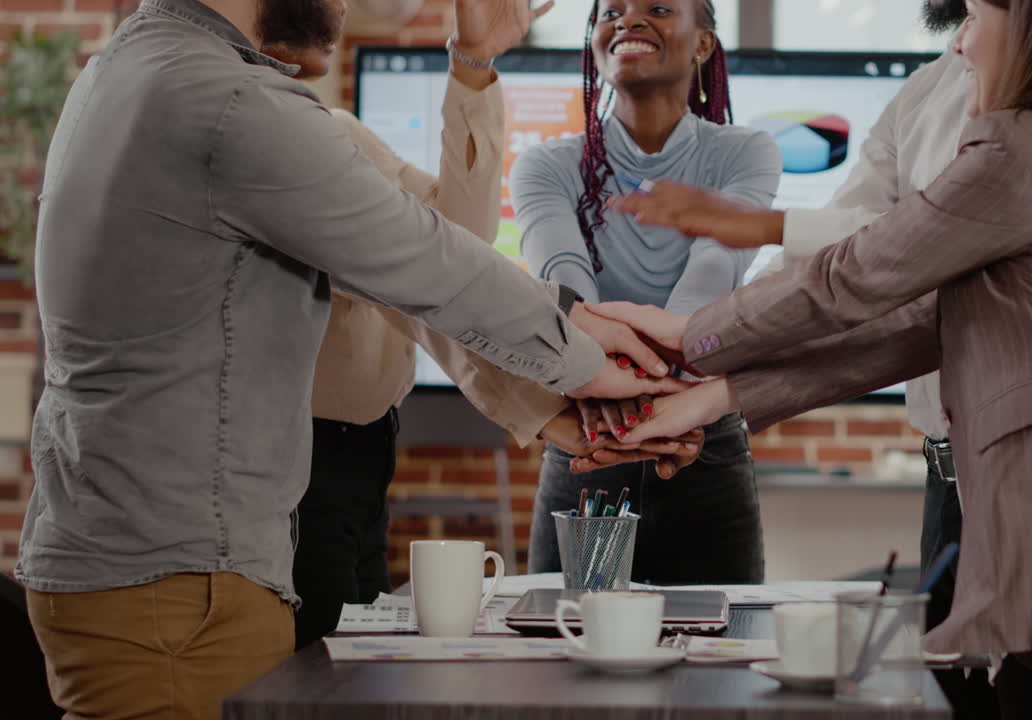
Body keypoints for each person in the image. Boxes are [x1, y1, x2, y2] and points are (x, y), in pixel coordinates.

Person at [593, 0, 1032, 717]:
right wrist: (718, 392)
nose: (961, 48)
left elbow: (854, 275)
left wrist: (691, 336)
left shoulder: (1021, 149)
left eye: (976, 18)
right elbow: (921, 326)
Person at [16, 0, 692, 716]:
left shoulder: (127, 70)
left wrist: (558, 389)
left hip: (128, 566)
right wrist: (579, 341)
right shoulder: (229, 102)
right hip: (181, 589)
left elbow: (418, 264)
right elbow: (419, 259)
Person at [259, 2, 704, 651]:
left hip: (362, 462)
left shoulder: (337, 132)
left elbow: (449, 248)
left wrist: (473, 67)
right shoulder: (276, 141)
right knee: (311, 677)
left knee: (348, 672)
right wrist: (568, 371)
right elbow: (424, 281)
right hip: (302, 469)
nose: (345, 7)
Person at [510, 0, 782, 585]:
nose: (627, 21)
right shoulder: (545, 164)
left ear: (704, 43)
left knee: (719, 654)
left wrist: (641, 388)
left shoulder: (744, 152)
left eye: (657, 7)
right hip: (592, 438)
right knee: (568, 647)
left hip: (701, 441)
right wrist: (623, 387)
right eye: (611, 11)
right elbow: (564, 285)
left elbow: (713, 272)